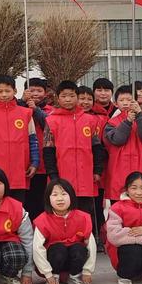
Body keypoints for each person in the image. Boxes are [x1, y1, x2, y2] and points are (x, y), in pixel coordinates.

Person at [44, 80, 105, 214]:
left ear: (77, 97)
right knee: (64, 211)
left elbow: (97, 147)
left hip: (86, 176)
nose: (68, 99)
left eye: (71, 96)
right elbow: (48, 150)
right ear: (57, 98)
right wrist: (53, 175)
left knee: (85, 213)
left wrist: (97, 170)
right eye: (64, 96)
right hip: (62, 175)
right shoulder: (51, 121)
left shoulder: (90, 120)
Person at [0, 75, 39, 203]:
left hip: (19, 169)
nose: (4, 94)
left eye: (8, 91)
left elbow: (33, 139)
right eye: (0, 91)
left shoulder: (26, 113)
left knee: (17, 206)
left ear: (15, 91)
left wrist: (34, 162)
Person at [33, 178, 96, 284]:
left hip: (73, 260)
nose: (60, 199)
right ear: (48, 199)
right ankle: (55, 278)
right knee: (58, 249)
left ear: (71, 196)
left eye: (64, 194)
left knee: (79, 249)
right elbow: (37, 248)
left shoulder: (83, 218)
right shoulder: (42, 220)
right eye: (55, 195)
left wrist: (87, 271)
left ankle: (74, 276)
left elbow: (91, 244)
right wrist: (48, 274)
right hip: (53, 262)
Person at [104, 85, 142, 202]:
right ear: (116, 103)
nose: (126, 103)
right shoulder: (111, 123)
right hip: (119, 171)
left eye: (129, 100)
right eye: (122, 100)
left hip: (140, 168)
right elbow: (118, 140)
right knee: (119, 206)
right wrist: (127, 122)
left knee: (141, 204)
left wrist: (140, 115)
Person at [106, 171, 142, 284]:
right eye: (134, 188)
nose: (139, 192)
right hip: (126, 248)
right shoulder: (117, 207)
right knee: (134, 251)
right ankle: (125, 275)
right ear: (127, 190)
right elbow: (114, 235)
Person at [77, 85, 108, 251]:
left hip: (93, 169)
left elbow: (99, 147)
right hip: (75, 169)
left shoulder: (97, 119)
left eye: (89, 99)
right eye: (82, 98)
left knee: (95, 205)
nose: (85, 102)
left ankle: (97, 237)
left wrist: (97, 169)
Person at [21, 77, 53, 221]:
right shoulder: (20, 108)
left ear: (45, 93)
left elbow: (50, 124)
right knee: (25, 202)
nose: (35, 93)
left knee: (41, 202)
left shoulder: (51, 111)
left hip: (43, 165)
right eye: (31, 90)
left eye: (39, 91)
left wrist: (36, 110)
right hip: (24, 163)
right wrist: (23, 102)